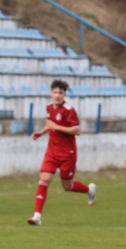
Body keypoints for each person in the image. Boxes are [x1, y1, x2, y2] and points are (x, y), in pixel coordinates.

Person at [27, 79, 97, 226]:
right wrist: (41, 132)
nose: (57, 95)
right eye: (55, 92)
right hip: (52, 151)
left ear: (64, 94)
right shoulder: (49, 108)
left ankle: (89, 189)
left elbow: (77, 130)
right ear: (51, 93)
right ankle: (37, 216)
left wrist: (57, 127)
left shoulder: (69, 110)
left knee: (67, 187)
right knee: (44, 180)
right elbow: (50, 124)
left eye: (61, 92)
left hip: (67, 153)